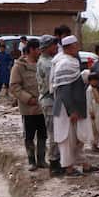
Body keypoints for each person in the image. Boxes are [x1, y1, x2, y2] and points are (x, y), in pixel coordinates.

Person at [50, 35, 95, 178]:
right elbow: (63, 89)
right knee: (66, 138)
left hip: (67, 105)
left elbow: (73, 82)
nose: (78, 48)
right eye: (75, 45)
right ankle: (69, 168)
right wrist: (72, 111)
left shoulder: (66, 60)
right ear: (68, 48)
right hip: (65, 108)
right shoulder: (64, 63)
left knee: (78, 136)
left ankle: (84, 164)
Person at [9, 38, 46, 170]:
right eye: (38, 50)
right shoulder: (19, 66)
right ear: (31, 50)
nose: (40, 52)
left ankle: (41, 160)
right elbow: (14, 86)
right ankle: (32, 161)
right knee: (29, 135)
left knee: (43, 134)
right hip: (28, 108)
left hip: (43, 106)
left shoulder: (42, 64)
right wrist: (28, 98)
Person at [36, 34, 61, 175]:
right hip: (50, 101)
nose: (56, 47)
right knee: (54, 133)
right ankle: (54, 163)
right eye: (53, 45)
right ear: (46, 47)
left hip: (49, 101)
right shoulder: (47, 64)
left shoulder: (48, 61)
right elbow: (52, 86)